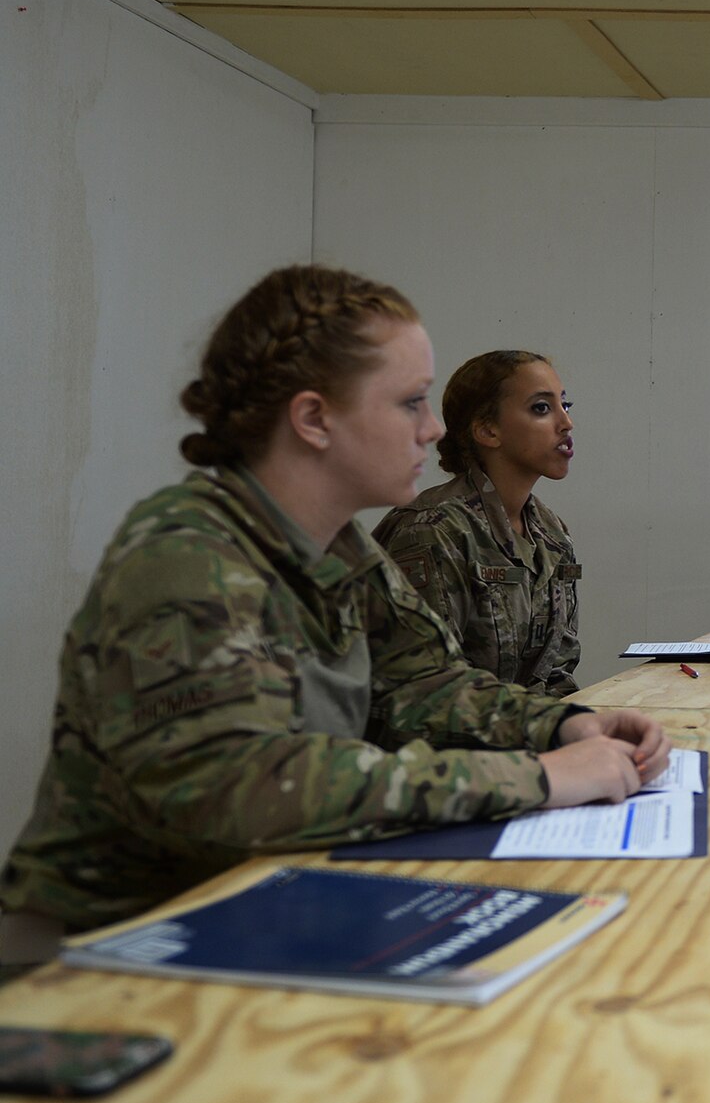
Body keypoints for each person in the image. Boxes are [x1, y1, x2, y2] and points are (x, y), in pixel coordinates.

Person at [0, 266, 668, 950]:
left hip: (261, 913)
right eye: (410, 402)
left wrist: (563, 725)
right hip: (108, 953)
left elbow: (423, 681)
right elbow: (250, 791)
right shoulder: (188, 557)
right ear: (314, 418)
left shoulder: (339, 546)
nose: (433, 428)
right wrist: (532, 777)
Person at [375, 350, 584, 696]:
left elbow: (557, 674)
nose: (566, 423)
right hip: (445, 745)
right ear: (488, 430)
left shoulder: (552, 534)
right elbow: (428, 692)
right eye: (542, 408)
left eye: (566, 405)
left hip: (526, 736)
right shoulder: (433, 531)